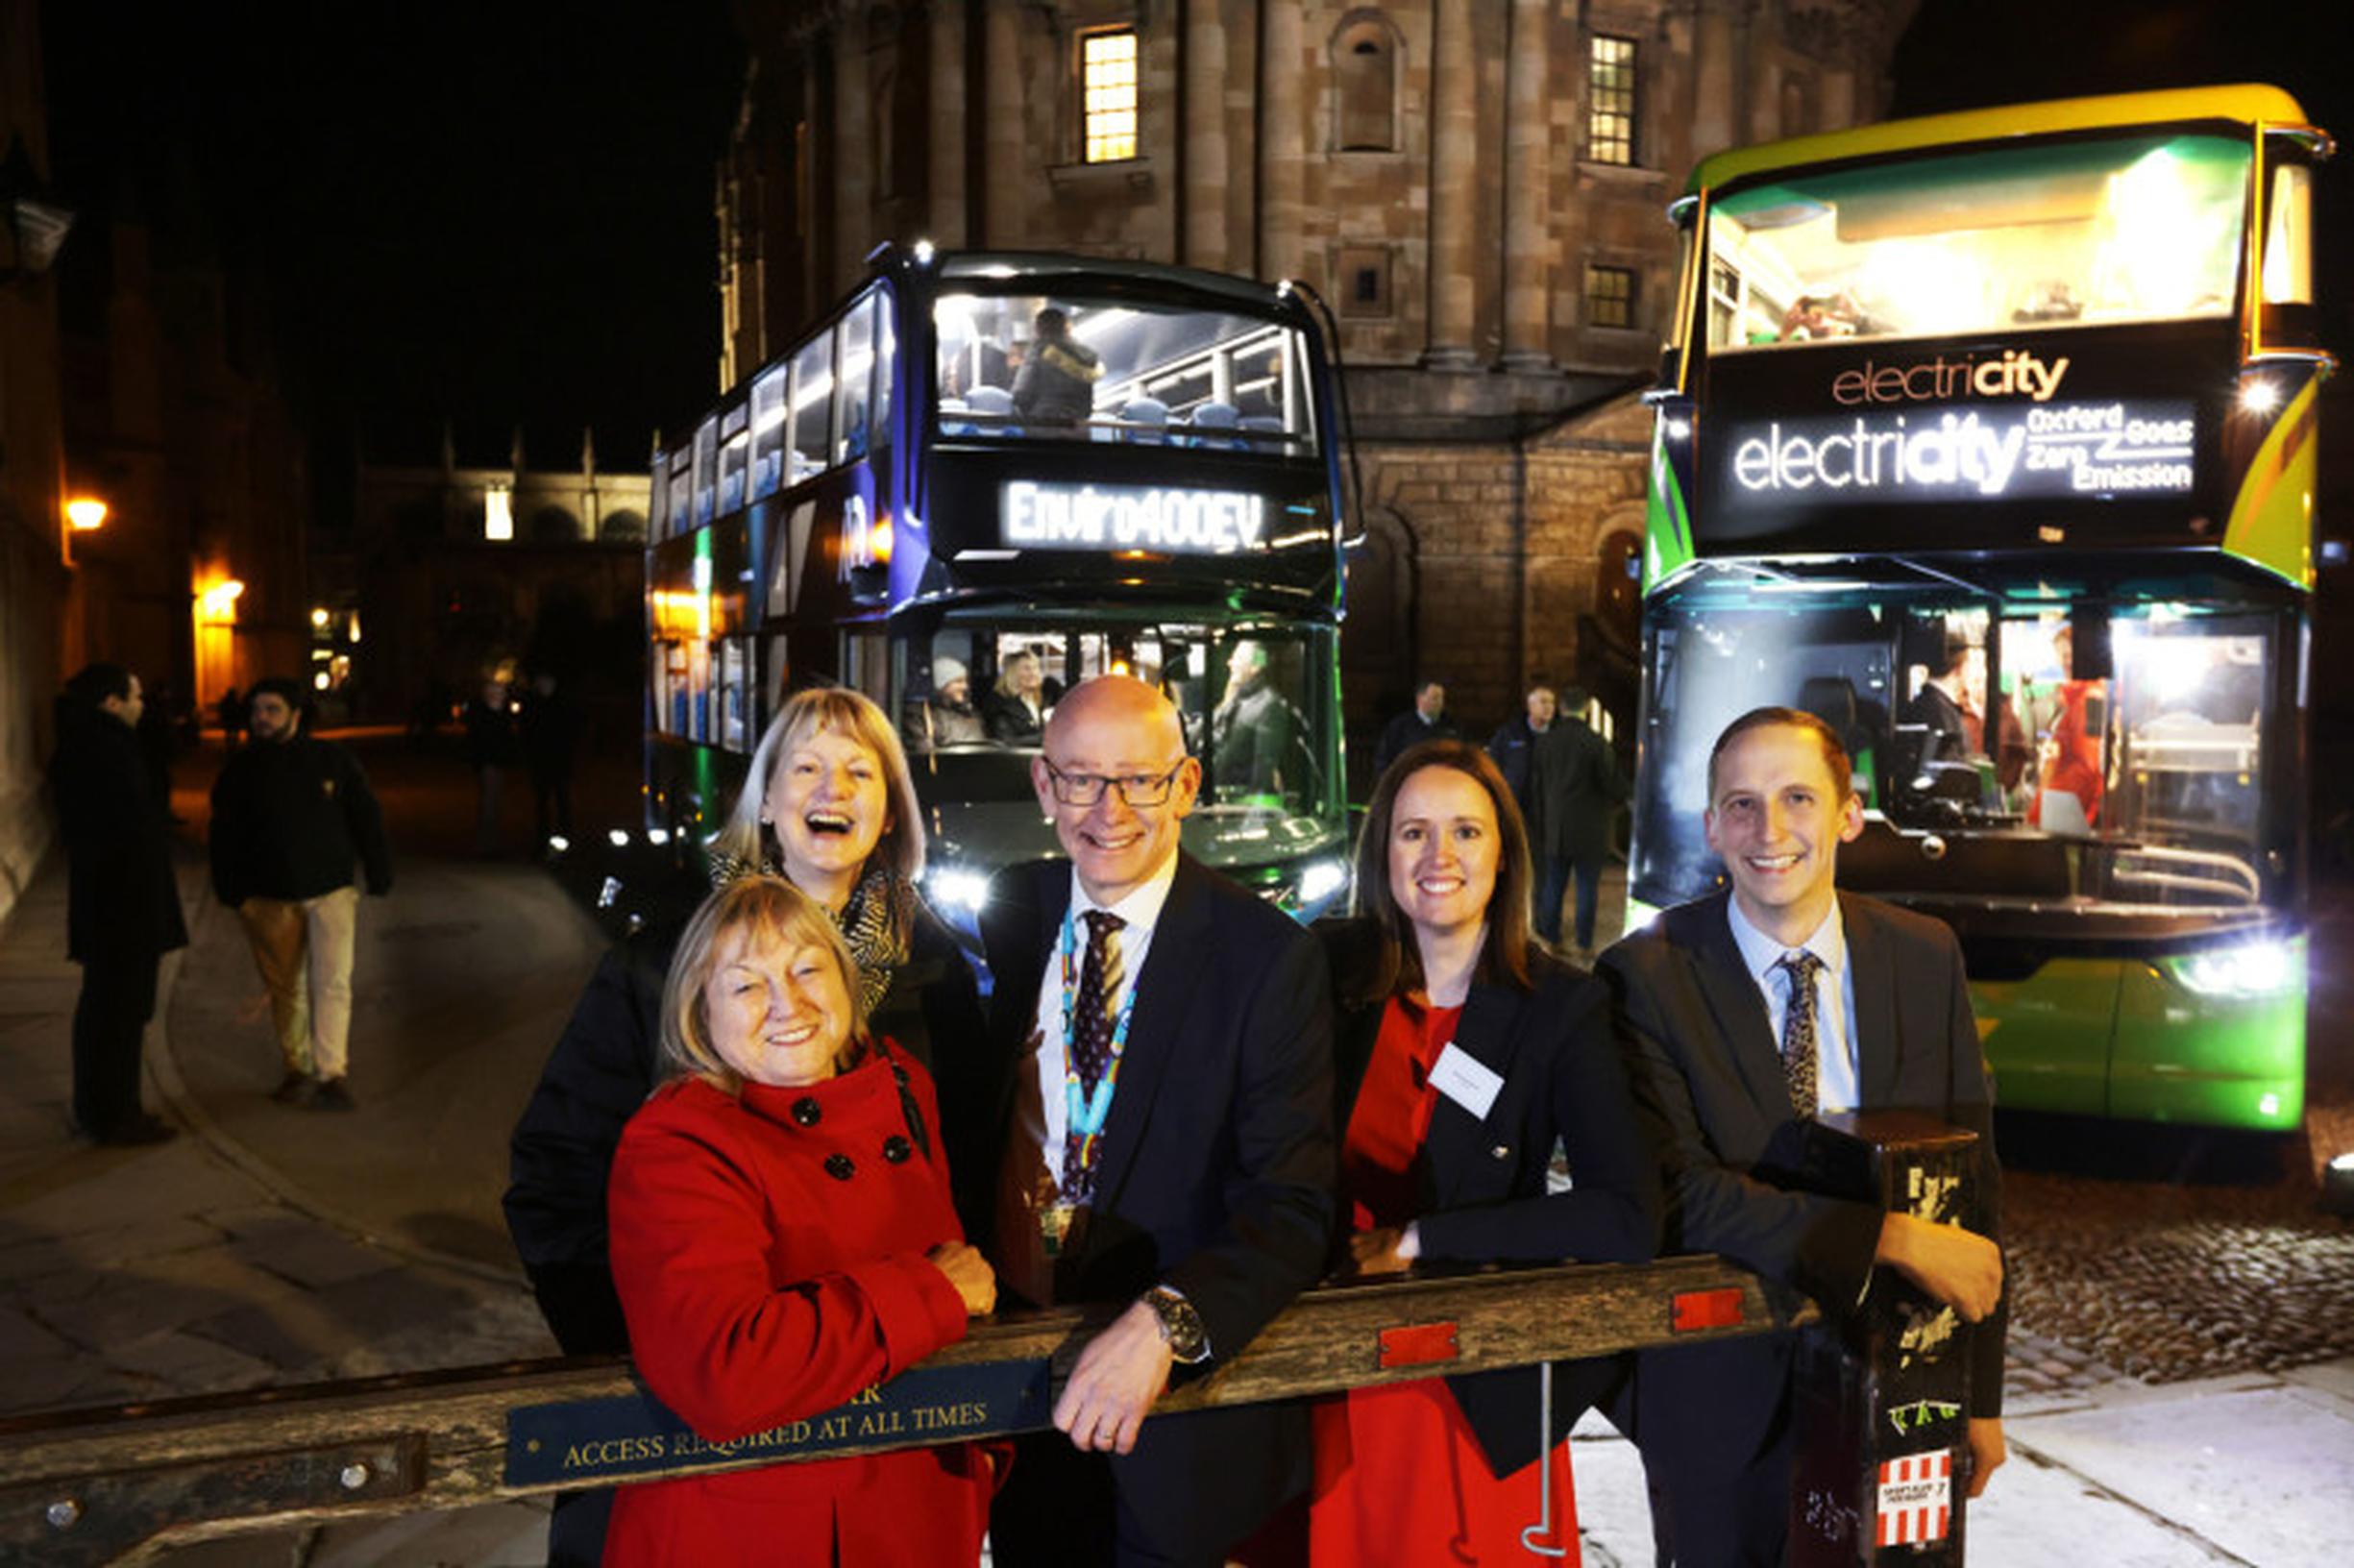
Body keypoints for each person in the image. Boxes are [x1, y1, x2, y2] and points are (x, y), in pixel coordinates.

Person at [504, 685, 986, 1567]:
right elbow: (556, 1171)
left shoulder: (936, 975)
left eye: (857, 770)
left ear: (890, 811)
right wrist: (651, 1348)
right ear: (765, 800)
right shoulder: (668, 957)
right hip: (712, 1417)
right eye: (804, 766)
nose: (830, 788)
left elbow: (963, 1187)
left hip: (895, 1399)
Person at [1599, 707, 2007, 1567]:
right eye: (1741, 805)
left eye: (1797, 798)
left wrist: (1981, 1398)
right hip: (1719, 1397)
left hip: (1898, 1383)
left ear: (1848, 816)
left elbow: (1973, 1188)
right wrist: (1889, 1238)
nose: (1771, 830)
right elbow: (1679, 1193)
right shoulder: (1644, 974)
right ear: (1710, 828)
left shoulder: (1924, 955)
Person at [975, 674, 1334, 1566]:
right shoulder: (1013, 914)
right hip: (1023, 1402)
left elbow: (1293, 1205)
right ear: (1043, 784)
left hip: (1175, 1428)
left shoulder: (1267, 957)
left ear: (1186, 784)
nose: (1109, 809)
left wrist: (1169, 1319)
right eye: (1082, 778)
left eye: (1138, 779)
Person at [1308, 739, 1657, 1564]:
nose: (1439, 856)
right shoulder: (1326, 975)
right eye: (1412, 832)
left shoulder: (1559, 1008)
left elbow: (1626, 1215)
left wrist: (1423, 1241)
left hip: (1470, 1386)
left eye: (1466, 832)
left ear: (1503, 855)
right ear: (1381, 853)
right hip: (1322, 1373)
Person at [603, 874, 999, 1565]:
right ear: (701, 1015)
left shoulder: (900, 1084)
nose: (788, 1003)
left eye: (808, 968)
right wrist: (931, 1294)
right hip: (765, 1529)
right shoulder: (678, 1144)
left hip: (914, 1506)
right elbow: (723, 1371)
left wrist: (985, 1456)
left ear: (847, 983)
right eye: (746, 985)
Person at [208, 677, 395, 1112]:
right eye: (257, 710)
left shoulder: (332, 760)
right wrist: (231, 889)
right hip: (267, 896)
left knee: (332, 982)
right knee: (286, 988)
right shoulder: (241, 768)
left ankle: (332, 1072)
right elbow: (224, 832)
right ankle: (298, 1067)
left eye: (272, 709)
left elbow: (366, 816)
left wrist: (378, 869)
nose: (262, 718)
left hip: (330, 890)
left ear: (295, 713)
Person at [48, 664, 187, 1146]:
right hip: (122, 910)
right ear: (111, 703)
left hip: (111, 906)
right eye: (134, 697)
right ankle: (114, 1114)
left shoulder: (92, 745)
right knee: (119, 1015)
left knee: (110, 1011)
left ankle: (106, 1108)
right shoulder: (105, 752)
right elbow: (126, 835)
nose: (142, 704)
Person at [1489, 683, 1619, 951]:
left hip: (1553, 829)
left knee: (1552, 886)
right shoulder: (1596, 743)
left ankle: (1551, 938)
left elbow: (1536, 786)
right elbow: (1611, 784)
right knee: (1586, 889)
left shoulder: (1546, 742)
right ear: (1585, 708)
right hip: (1588, 830)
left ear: (1561, 707)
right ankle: (1584, 943)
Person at [1211, 639, 1299, 800]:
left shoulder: (1269, 706)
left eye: (1237, 659)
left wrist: (1249, 814)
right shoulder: (1233, 699)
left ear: (1256, 667)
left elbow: (1262, 771)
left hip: (1240, 808)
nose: (1230, 663)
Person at [519, 672, 585, 847]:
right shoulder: (533, 704)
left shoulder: (563, 704)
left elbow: (575, 731)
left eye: (547, 682)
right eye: (541, 682)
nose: (544, 685)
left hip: (560, 760)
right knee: (542, 802)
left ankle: (565, 836)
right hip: (541, 761)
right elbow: (526, 732)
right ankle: (543, 837)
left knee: (562, 800)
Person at [1010, 305, 1103, 427]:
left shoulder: (1038, 352)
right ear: (1066, 327)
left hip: (1043, 427)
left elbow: (1021, 394)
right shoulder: (1086, 356)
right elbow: (1087, 401)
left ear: (1038, 329)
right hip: (1078, 428)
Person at [462, 673, 524, 854]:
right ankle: (485, 843)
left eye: (500, 690)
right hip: (486, 761)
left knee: (495, 801)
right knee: (488, 802)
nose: (498, 693)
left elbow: (508, 737)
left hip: (499, 761)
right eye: (494, 690)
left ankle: (493, 841)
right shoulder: (480, 711)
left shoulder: (504, 711)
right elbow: (477, 738)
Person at [1369, 678, 1458, 779]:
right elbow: (1382, 761)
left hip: (1442, 786)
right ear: (1419, 700)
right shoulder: (1400, 726)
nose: (1440, 703)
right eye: (1435, 698)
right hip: (1410, 787)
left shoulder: (1451, 726)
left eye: (1442, 698)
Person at [920, 657, 987, 749]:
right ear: (941, 685)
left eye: (965, 681)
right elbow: (924, 752)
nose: (965, 687)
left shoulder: (970, 714)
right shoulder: (923, 716)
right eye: (958, 681)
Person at [985, 649, 1048, 745]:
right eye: (1027, 669)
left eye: (1035, 668)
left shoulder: (1038, 701)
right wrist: (1044, 738)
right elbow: (1005, 741)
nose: (1033, 673)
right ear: (1012, 673)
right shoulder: (999, 704)